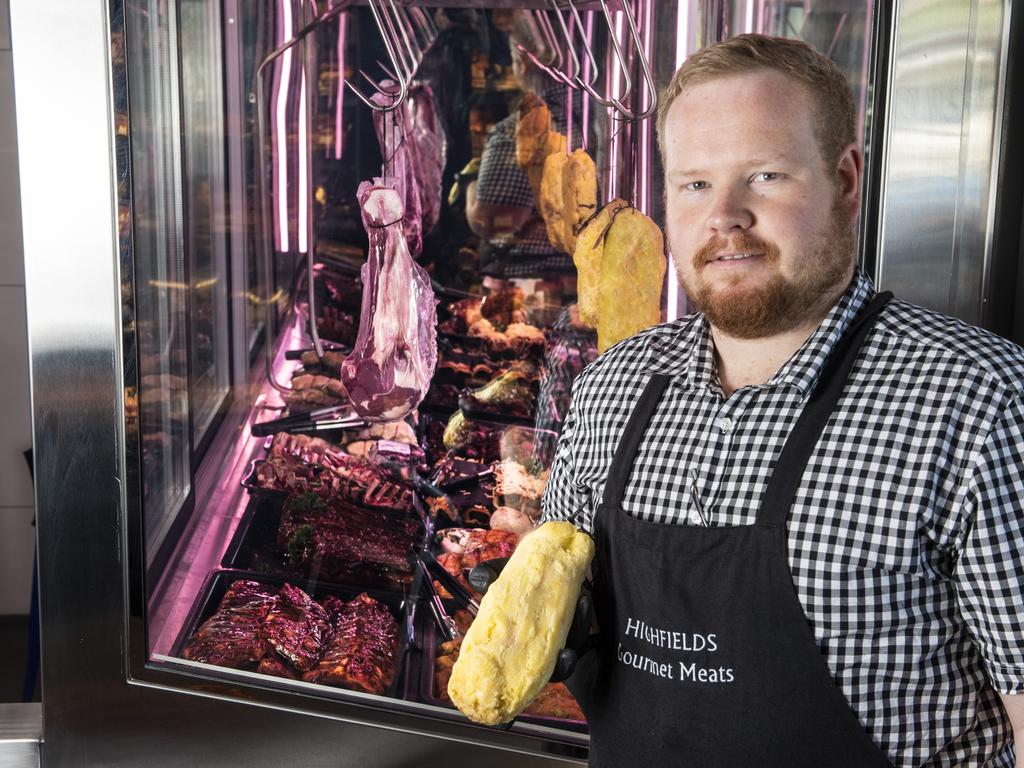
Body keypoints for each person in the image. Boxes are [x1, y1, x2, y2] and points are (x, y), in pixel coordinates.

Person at [541, 33, 1024, 767]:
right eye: (695, 184)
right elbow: (552, 604)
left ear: (847, 181)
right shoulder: (614, 386)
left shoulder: (981, 403)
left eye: (765, 176)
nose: (725, 216)